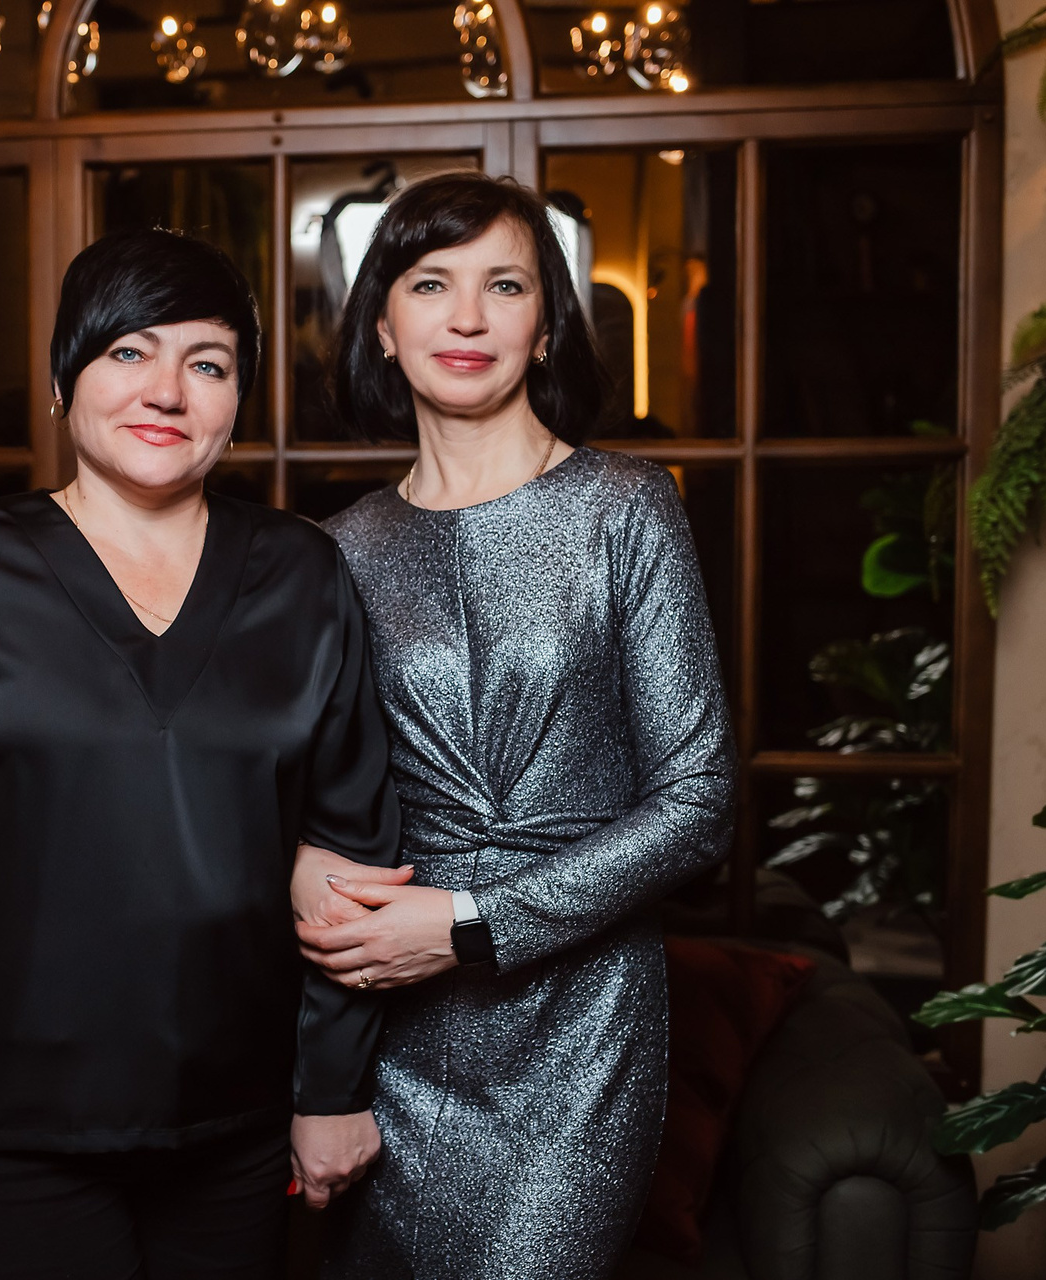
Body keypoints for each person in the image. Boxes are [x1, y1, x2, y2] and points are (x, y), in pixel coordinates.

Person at [0, 228, 402, 1280]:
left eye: (208, 364)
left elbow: (349, 843)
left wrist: (331, 1085)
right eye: (128, 351)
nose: (168, 390)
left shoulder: (304, 575)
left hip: (233, 1130)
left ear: (238, 400)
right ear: (64, 378)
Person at [292, 172, 735, 1279]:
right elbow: (314, 798)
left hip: (577, 1027)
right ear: (382, 326)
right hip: (391, 1026)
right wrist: (304, 868)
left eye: (505, 286)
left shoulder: (627, 507)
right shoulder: (337, 549)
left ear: (546, 328)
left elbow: (698, 803)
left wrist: (469, 922)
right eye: (429, 284)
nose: (468, 317)